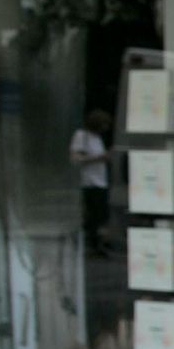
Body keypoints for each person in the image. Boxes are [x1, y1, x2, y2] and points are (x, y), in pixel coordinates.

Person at [70, 109, 114, 256]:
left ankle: (98, 241)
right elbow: (76, 158)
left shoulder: (97, 138)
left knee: (100, 213)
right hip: (89, 181)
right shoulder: (82, 136)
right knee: (93, 214)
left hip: (100, 180)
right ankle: (92, 242)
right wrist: (98, 158)